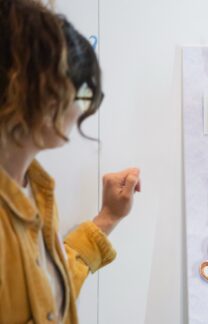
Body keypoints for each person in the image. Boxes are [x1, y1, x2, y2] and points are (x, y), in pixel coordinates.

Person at [0, 1, 140, 323]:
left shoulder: (35, 188)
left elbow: (47, 302)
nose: (84, 109)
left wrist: (107, 218)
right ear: (41, 91)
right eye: (84, 91)